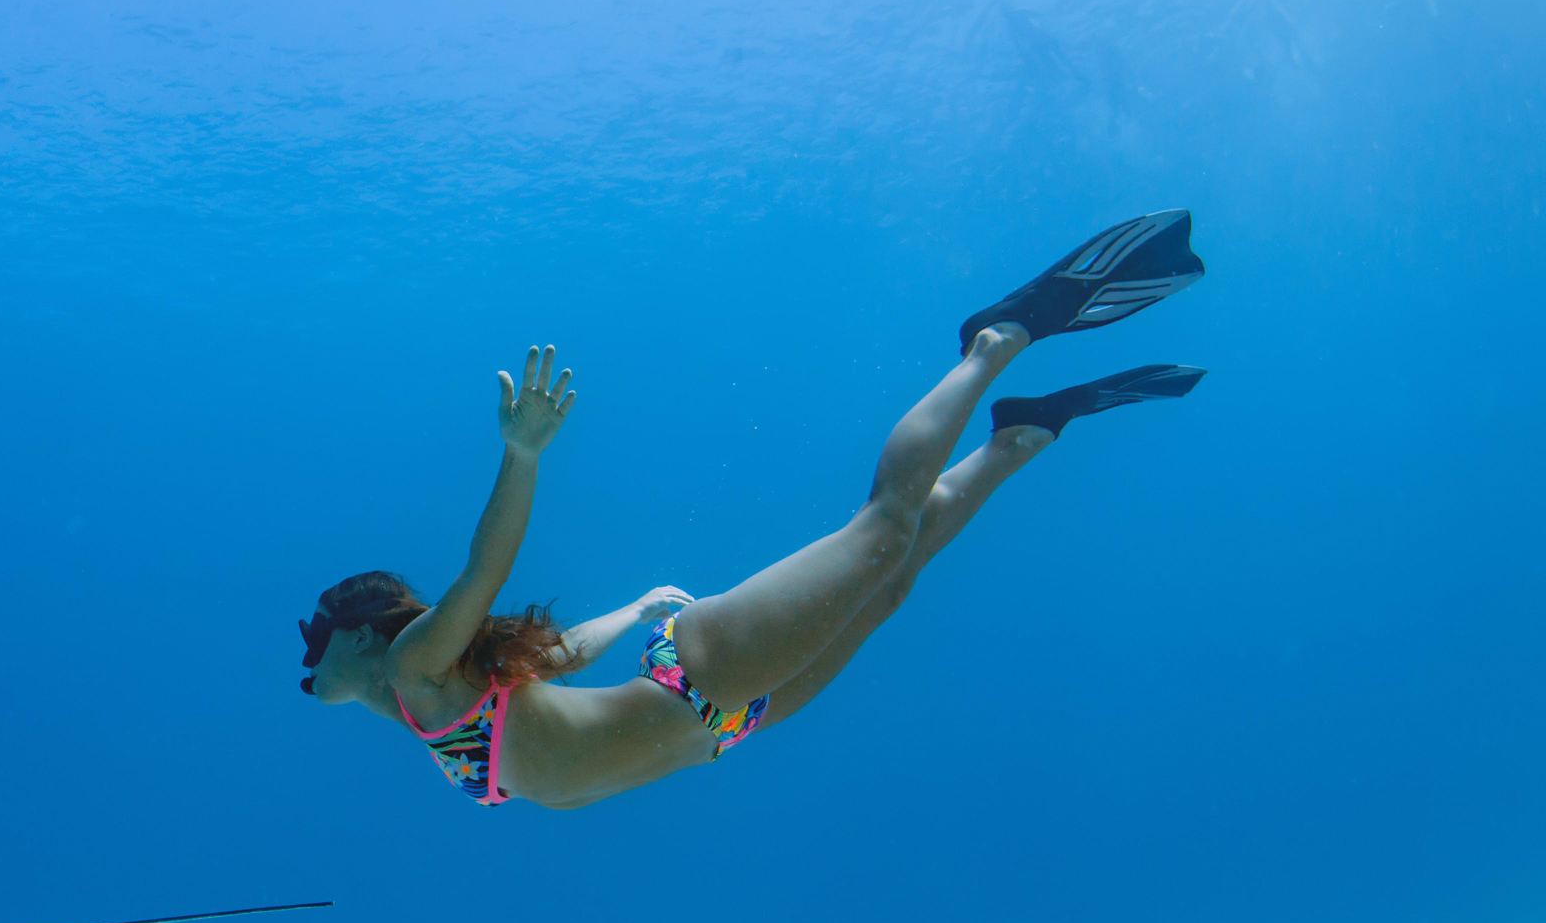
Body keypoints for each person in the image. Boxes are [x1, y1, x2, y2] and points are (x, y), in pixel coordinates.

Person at [298, 211, 1211, 809]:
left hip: (701, 685)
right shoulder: (433, 704)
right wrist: (640, 606)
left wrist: (522, 454)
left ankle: (995, 342)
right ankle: (1017, 440)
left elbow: (483, 573)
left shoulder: (419, 664)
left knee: (882, 533)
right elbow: (553, 659)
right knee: (888, 586)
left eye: (314, 640)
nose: (306, 662)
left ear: (364, 633)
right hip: (728, 724)